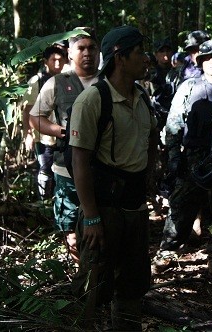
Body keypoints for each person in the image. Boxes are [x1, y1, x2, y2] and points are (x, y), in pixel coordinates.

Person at [70, 25, 156, 331]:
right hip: (104, 209)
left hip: (134, 208)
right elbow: (79, 161)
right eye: (140, 52)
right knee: (93, 287)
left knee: (132, 285)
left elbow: (150, 143)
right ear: (120, 57)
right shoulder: (92, 100)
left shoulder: (142, 97)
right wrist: (91, 217)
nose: (146, 59)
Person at [153, 40, 212, 275]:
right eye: (208, 58)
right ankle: (166, 254)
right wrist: (174, 157)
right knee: (180, 209)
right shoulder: (189, 87)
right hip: (193, 159)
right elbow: (174, 124)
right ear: (201, 62)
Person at [29, 27, 100, 264]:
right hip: (65, 168)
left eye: (92, 48)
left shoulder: (109, 81)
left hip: (103, 167)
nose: (87, 53)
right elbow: (36, 117)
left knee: (102, 223)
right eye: (81, 48)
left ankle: (98, 277)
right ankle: (80, 275)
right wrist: (62, 132)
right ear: (71, 53)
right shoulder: (57, 83)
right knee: (70, 228)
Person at [22, 45, 68, 200]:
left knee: (62, 168)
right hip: (43, 135)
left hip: (63, 134)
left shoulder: (68, 79)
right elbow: (27, 109)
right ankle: (45, 201)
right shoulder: (37, 81)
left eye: (60, 60)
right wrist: (27, 133)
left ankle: (58, 200)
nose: (57, 64)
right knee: (45, 168)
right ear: (45, 62)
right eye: (53, 60)